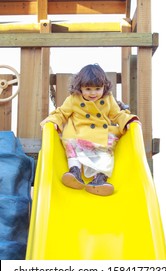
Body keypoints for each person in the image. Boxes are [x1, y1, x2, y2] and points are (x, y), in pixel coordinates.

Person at [40, 64, 139, 196]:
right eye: (88, 89)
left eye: (98, 89)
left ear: (104, 87)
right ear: (80, 87)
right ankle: (74, 171)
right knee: (71, 145)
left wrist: (128, 121)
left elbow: (117, 115)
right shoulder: (73, 99)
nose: (93, 93)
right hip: (78, 133)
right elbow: (61, 113)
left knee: (106, 153)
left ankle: (99, 179)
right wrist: (53, 122)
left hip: (99, 136)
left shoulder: (108, 99)